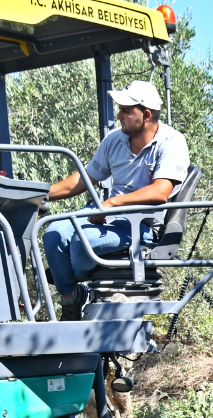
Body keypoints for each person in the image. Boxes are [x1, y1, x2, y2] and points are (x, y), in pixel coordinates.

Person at [42, 80, 191, 319]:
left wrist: (111, 204)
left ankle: (68, 277)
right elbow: (83, 179)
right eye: (119, 109)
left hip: (140, 223)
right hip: (111, 215)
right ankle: (71, 298)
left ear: (146, 114)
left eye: (125, 111)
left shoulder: (171, 142)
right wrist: (38, 194)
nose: (119, 115)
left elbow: (159, 191)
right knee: (53, 234)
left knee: (83, 244)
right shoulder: (114, 140)